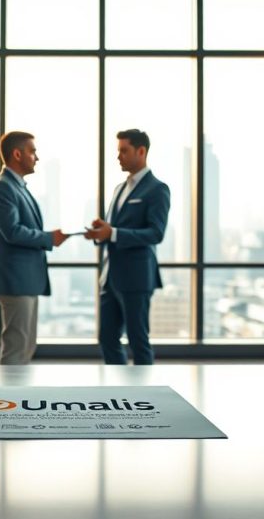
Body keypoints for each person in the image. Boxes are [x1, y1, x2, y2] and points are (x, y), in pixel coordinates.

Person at [84, 129, 170, 365]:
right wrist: (101, 231)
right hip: (110, 277)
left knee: (137, 340)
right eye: (118, 151)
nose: (118, 156)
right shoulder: (119, 189)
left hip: (136, 279)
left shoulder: (157, 189)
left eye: (124, 150)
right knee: (107, 339)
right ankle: (120, 391)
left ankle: (145, 395)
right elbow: (114, 229)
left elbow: (156, 233)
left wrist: (112, 232)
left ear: (141, 151)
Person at [0, 131, 68, 365]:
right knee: (16, 347)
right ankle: (4, 400)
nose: (36, 157)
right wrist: (48, 238)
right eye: (32, 151)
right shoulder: (3, 188)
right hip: (15, 280)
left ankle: (16, 399)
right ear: (17, 154)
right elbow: (12, 232)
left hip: (26, 279)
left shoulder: (18, 187)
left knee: (25, 347)